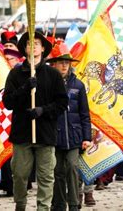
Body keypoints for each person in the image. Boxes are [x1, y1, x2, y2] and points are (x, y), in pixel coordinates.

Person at [3, 30, 68, 211]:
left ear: (43, 48)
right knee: (20, 174)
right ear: (24, 48)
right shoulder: (15, 75)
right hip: (22, 134)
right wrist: (25, 88)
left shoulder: (53, 75)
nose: (33, 46)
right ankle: (21, 204)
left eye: (37, 44)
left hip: (45, 133)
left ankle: (43, 207)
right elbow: (7, 102)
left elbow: (62, 103)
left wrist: (42, 111)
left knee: (46, 176)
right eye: (30, 43)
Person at [47, 42, 92, 211]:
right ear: (54, 64)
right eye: (61, 62)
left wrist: (87, 137)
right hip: (55, 135)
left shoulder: (78, 85)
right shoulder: (49, 84)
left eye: (67, 62)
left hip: (74, 135)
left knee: (72, 167)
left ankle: (74, 203)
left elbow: (84, 114)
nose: (64, 65)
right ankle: (58, 204)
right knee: (57, 170)